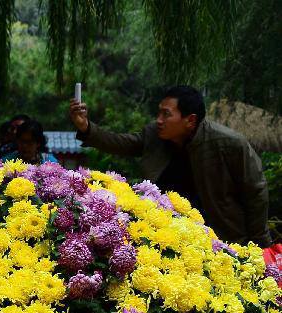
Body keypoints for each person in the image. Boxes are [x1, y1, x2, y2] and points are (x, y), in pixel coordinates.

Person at [69, 85, 271, 246]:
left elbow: (255, 192)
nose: (159, 120)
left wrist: (259, 243)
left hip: (222, 237)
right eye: (159, 113)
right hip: (167, 233)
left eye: (166, 114)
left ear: (190, 120)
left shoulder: (229, 143)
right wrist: (86, 128)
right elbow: (121, 143)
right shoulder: (154, 135)